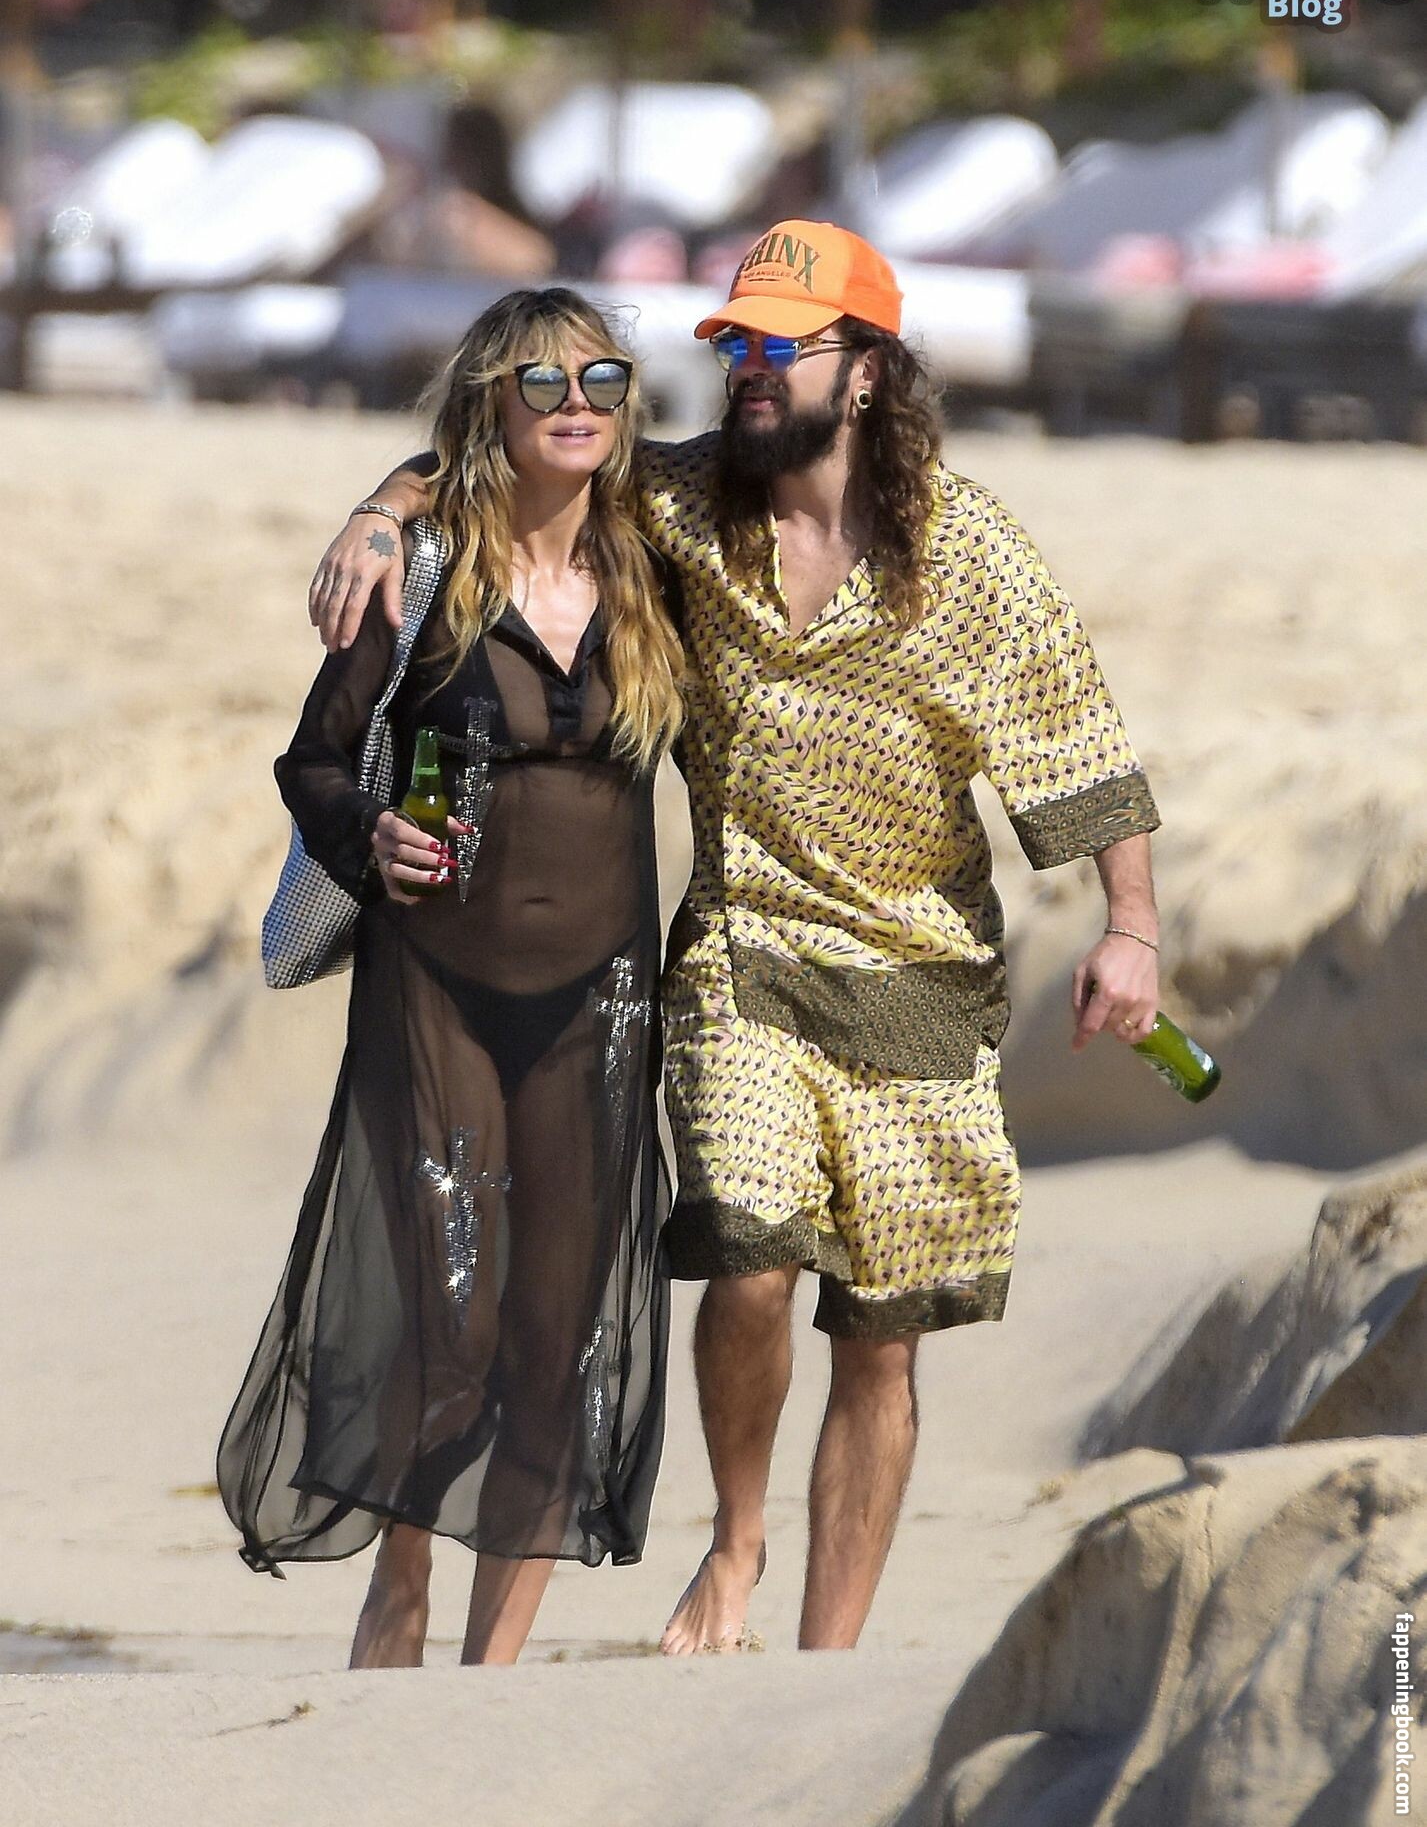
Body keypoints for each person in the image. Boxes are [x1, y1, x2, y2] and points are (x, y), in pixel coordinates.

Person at [307, 220, 1162, 1656]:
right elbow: (523, 446)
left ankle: (820, 1675)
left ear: (868, 370)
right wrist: (382, 508)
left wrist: (1132, 925)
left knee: (879, 1342)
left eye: (781, 346)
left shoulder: (975, 556)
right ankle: (738, 1540)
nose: (750, 369)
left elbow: (1082, 751)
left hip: (924, 980)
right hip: (743, 952)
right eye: (735, 345)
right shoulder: (690, 505)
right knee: (751, 1256)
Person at [218, 287, 684, 1668]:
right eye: (543, 385)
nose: (578, 406)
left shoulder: (658, 560)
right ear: (493, 403)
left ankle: (489, 1688)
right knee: (455, 1326)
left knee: (557, 1341)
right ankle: (403, 1576)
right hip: (436, 986)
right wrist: (371, 831)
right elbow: (312, 758)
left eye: (602, 380)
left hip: (602, 996)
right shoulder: (420, 573)